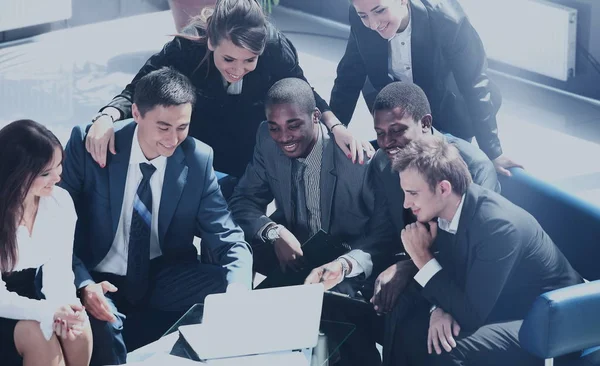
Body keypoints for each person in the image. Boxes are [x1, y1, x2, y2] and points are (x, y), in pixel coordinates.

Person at [60, 67, 253, 365]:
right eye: (163, 127)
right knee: (105, 328)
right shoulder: (89, 146)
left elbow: (228, 237)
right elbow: (54, 231)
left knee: (233, 286)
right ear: (136, 113)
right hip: (98, 276)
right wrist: (84, 283)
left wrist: (238, 289)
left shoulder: (198, 159)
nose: (173, 139)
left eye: (182, 127)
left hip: (163, 274)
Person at [85, 0, 372, 192]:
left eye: (249, 61)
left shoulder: (273, 47)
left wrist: (336, 127)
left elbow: (303, 88)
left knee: (235, 223)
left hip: (248, 148)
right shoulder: (187, 46)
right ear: (211, 41)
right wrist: (106, 117)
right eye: (229, 59)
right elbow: (140, 86)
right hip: (199, 144)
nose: (238, 70)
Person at [229, 78, 389, 366]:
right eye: (274, 126)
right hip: (296, 248)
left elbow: (381, 236)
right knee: (231, 250)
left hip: (346, 260)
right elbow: (243, 201)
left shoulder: (359, 160)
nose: (283, 137)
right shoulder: (266, 140)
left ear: (316, 117)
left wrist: (345, 265)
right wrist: (272, 231)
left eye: (293, 125)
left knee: (336, 316)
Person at [385, 137, 582, 366]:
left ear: (443, 188)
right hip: (497, 301)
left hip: (552, 322)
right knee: (408, 321)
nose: (406, 204)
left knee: (445, 349)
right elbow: (453, 275)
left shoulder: (498, 228)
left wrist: (423, 258)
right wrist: (438, 308)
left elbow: (470, 315)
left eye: (413, 193)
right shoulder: (448, 210)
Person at [330, 0, 522, 176]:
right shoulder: (360, 14)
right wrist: (334, 132)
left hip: (450, 107)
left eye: (379, 11)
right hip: (399, 109)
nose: (373, 24)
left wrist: (493, 152)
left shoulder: (448, 19)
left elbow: (474, 83)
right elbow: (349, 75)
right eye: (364, 16)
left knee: (444, 171)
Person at [0, 120, 92, 366]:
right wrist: (47, 312)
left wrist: (64, 309)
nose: (58, 177)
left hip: (34, 293)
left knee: (78, 329)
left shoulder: (59, 203)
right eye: (45, 173)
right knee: (39, 338)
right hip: (3, 301)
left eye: (59, 165)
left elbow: (60, 272)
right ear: (15, 173)